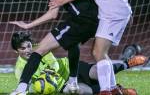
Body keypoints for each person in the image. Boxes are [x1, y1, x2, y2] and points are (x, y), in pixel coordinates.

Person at [49, 0, 133, 95]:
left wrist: (63, 0)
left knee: (99, 52)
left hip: (113, 12)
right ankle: (112, 89)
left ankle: (106, 91)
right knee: (98, 51)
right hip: (117, 10)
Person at [11, 31, 144, 94]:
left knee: (96, 71)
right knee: (83, 92)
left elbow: (54, 64)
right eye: (23, 48)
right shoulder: (19, 69)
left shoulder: (39, 49)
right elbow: (26, 85)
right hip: (62, 85)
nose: (28, 50)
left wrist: (48, 73)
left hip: (71, 68)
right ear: (17, 51)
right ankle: (118, 89)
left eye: (28, 46)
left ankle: (126, 63)